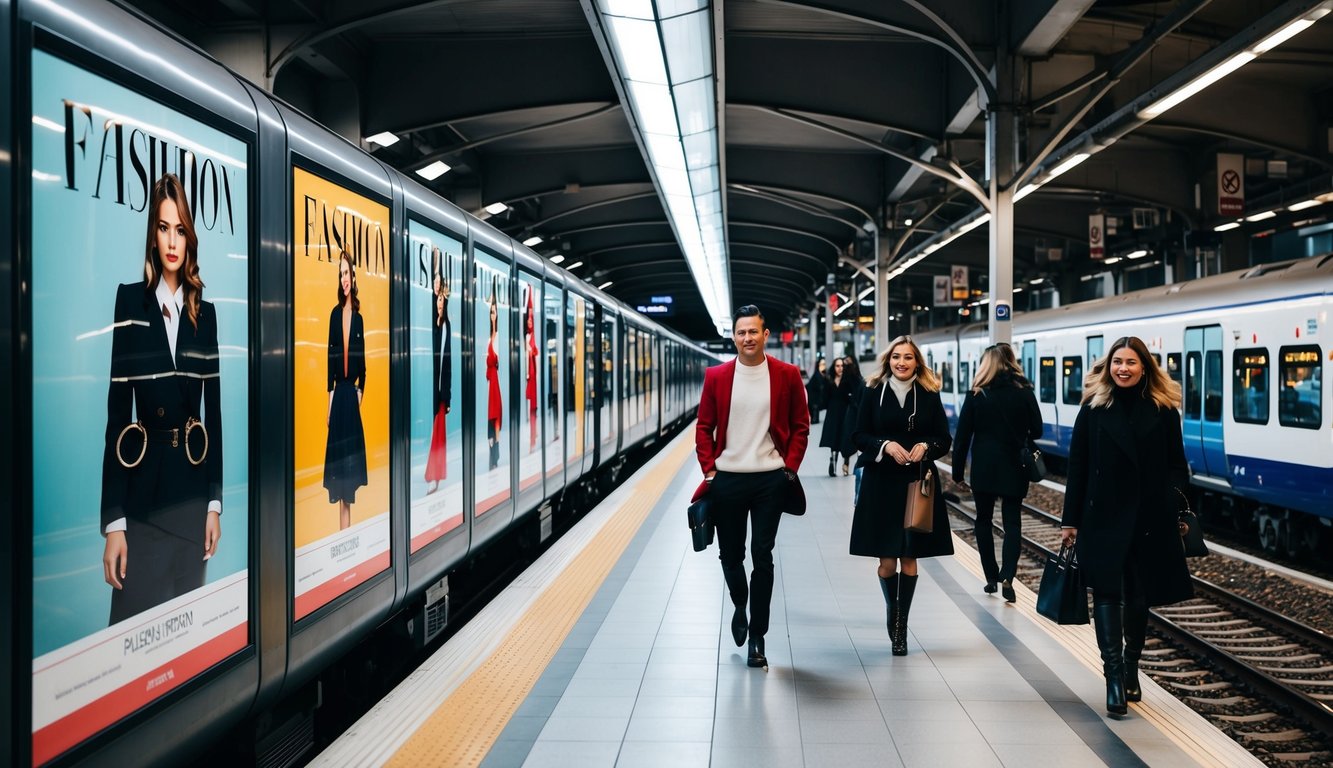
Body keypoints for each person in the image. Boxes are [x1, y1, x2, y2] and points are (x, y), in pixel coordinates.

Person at [102, 172, 224, 625]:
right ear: (152, 235)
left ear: (188, 238)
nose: (172, 241)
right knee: (132, 636)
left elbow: (214, 419)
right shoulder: (129, 303)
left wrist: (215, 503)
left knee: (183, 636)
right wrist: (114, 522)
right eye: (162, 227)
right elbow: (118, 416)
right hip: (144, 497)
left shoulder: (205, 315)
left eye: (179, 229)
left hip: (193, 499)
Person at [1060, 336, 1193, 716]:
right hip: (1101, 514)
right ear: (1108, 366)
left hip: (1150, 516)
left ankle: (1132, 665)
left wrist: (1171, 498)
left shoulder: (1163, 409)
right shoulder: (1094, 407)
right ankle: (1114, 677)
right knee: (1106, 592)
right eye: (1117, 362)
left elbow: (1176, 464)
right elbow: (1078, 465)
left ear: (1144, 367)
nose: (1123, 368)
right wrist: (1071, 519)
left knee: (1138, 596)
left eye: (1131, 362)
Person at [692, 305, 810, 670]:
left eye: (754, 332)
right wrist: (710, 472)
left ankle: (757, 636)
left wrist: (788, 469)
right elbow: (703, 428)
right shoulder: (717, 376)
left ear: (766, 334)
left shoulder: (787, 375)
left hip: (768, 479)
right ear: (734, 337)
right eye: (742, 332)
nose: (748, 338)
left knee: (763, 554)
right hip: (727, 479)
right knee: (731, 555)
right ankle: (740, 604)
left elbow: (800, 425)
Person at [849, 336, 953, 656]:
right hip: (881, 483)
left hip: (915, 485)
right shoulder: (872, 392)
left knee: (909, 558)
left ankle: (900, 626)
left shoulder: (929, 394)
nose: (902, 363)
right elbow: (858, 435)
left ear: (917, 362)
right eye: (896, 357)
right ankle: (892, 608)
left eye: (908, 357)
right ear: (888, 360)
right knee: (886, 562)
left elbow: (943, 438)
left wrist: (927, 447)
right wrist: (884, 446)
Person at [951, 343, 1042, 602]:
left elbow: (962, 438)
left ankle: (991, 576)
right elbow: (1037, 430)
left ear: (985, 364)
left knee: (983, 520)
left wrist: (958, 473)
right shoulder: (1024, 392)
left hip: (984, 467)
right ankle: (1008, 577)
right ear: (1012, 362)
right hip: (1014, 466)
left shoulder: (976, 394)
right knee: (1012, 522)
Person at [324, 250, 369, 531]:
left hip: (350, 398)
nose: (344, 279)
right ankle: (342, 535)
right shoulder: (333, 314)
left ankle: (347, 533)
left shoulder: (360, 319)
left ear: (354, 276)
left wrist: (360, 393)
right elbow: (330, 364)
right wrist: (329, 404)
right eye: (340, 273)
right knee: (339, 472)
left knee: (349, 478)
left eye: (347, 273)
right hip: (338, 396)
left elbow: (363, 365)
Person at [425, 253, 451, 493]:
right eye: (437, 299)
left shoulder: (446, 327)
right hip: (432, 390)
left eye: (442, 298)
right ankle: (434, 477)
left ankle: (436, 478)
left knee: (439, 436)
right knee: (435, 434)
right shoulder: (432, 324)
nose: (439, 302)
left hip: (441, 393)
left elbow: (449, 363)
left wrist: (448, 397)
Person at [819, 357, 850, 476]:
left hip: (844, 412)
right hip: (832, 412)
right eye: (837, 366)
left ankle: (845, 464)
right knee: (834, 437)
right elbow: (825, 396)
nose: (840, 368)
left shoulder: (847, 380)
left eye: (842, 366)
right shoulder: (829, 380)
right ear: (834, 367)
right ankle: (833, 462)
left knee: (844, 437)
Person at [486, 278, 503, 471]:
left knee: (495, 420)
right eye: (491, 311)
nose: (493, 314)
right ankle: (493, 456)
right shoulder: (489, 338)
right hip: (491, 385)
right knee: (491, 421)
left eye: (494, 311)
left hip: (495, 385)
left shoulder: (496, 338)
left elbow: (496, 360)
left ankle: (495, 457)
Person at [524, 286, 539, 452]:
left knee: (533, 410)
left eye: (530, 318)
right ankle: (531, 437)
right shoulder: (527, 338)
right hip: (528, 379)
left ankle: (533, 437)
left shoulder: (531, 339)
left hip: (532, 380)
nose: (529, 321)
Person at [805, 357, 829, 424]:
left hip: (816, 394)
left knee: (815, 407)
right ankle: (814, 419)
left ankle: (815, 418)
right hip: (813, 394)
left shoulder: (823, 374)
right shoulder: (817, 374)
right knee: (815, 407)